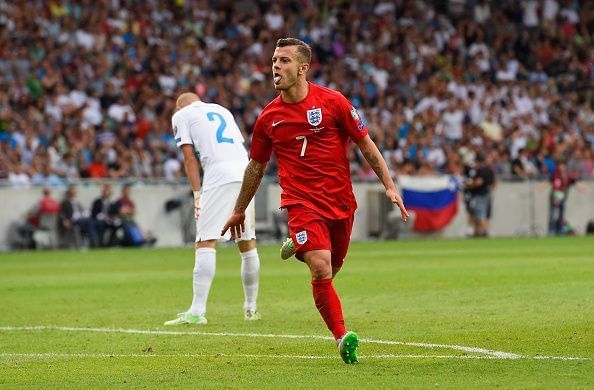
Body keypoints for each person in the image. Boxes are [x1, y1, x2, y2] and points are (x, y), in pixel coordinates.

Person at [221, 38, 408, 364]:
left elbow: (366, 145)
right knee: (321, 267)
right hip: (301, 202)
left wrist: (390, 186)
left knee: (331, 270)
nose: (276, 66)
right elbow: (256, 166)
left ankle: (300, 244)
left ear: (303, 68)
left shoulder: (334, 103)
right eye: (274, 60)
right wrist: (239, 209)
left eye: (284, 61)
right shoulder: (269, 118)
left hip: (340, 203)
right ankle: (342, 339)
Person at [164, 92, 262, 326]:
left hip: (219, 177)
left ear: (179, 107)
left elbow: (189, 159)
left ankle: (197, 311)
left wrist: (197, 194)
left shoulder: (181, 115)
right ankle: (251, 308)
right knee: (247, 242)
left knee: (205, 240)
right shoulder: (222, 110)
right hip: (245, 172)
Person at [465, 153, 495, 237]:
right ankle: (478, 232)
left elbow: (479, 182)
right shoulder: (489, 170)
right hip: (488, 193)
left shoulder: (481, 170)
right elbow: (493, 184)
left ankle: (485, 231)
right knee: (486, 213)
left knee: (480, 213)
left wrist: (469, 185)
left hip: (480, 194)